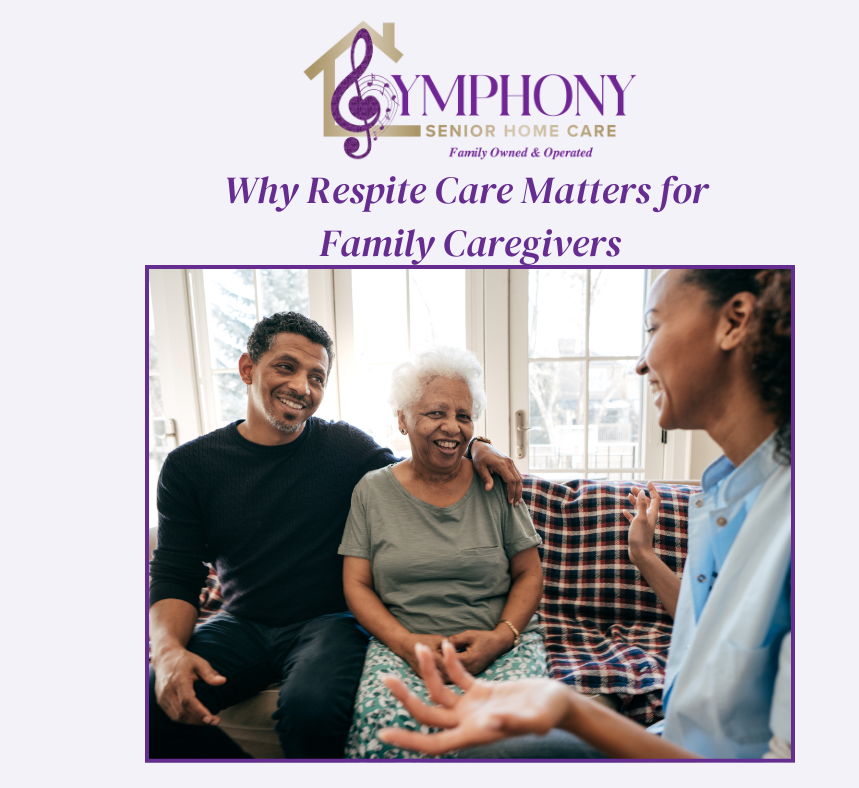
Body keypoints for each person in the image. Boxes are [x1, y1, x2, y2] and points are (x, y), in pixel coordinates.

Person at [377, 269, 792, 760]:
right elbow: (722, 633)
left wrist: (575, 711)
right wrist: (642, 554)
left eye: (653, 328)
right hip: (676, 739)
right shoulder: (725, 494)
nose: (641, 363)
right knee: (484, 753)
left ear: (734, 321)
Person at [148, 312, 524, 759]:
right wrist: (167, 649)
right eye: (286, 367)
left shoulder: (347, 450)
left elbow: (425, 457)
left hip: (330, 622)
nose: (302, 387)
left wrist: (478, 444)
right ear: (248, 368)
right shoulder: (190, 466)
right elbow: (175, 573)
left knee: (312, 711)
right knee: (149, 702)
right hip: (243, 622)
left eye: (317, 376)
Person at [338, 347, 546, 759]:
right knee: (386, 729)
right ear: (403, 420)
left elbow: (529, 573)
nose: (452, 427)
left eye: (464, 416)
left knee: (512, 738)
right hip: (404, 649)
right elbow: (357, 585)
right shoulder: (372, 491)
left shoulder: (495, 482)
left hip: (499, 646)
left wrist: (500, 638)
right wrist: (405, 643)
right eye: (436, 413)